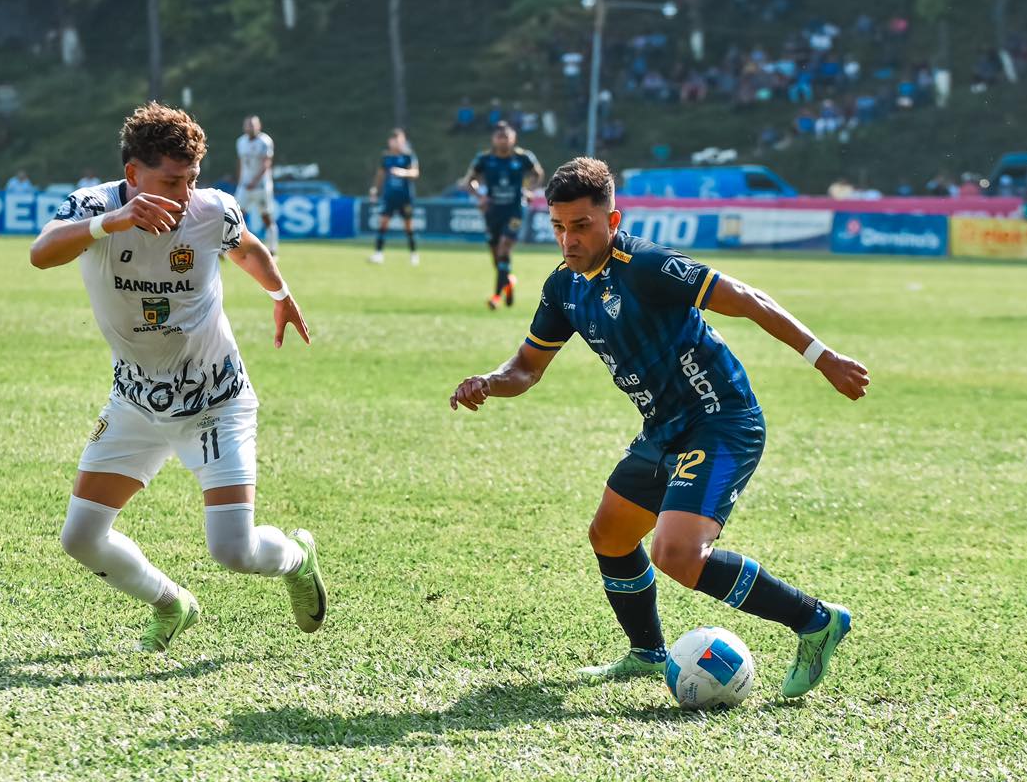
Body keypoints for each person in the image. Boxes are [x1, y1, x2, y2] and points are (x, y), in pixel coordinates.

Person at [449, 157, 868, 698]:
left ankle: (816, 620)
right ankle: (648, 654)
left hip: (721, 419)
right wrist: (488, 381)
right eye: (558, 227)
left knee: (675, 554)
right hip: (663, 428)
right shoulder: (563, 289)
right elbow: (526, 368)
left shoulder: (645, 265)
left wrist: (823, 357)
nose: (568, 240)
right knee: (611, 535)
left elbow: (747, 299)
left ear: (612, 220)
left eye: (581, 226)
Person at [28, 102, 325, 653]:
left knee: (233, 551)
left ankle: (295, 556)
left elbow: (250, 249)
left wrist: (280, 296)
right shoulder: (91, 206)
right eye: (171, 180)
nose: (185, 193)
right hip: (135, 403)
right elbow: (41, 254)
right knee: (81, 539)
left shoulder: (213, 210)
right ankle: (171, 603)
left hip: (215, 401)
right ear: (133, 175)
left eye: (191, 179)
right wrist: (110, 223)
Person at [463, 122, 543, 309]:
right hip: (492, 211)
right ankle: (508, 282)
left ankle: (496, 296)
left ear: (513, 138)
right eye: (500, 137)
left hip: (515, 210)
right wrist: (479, 197)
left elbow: (537, 173)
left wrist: (530, 191)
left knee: (504, 248)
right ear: (493, 139)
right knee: (496, 256)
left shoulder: (523, 158)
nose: (503, 140)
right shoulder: (484, 159)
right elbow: (469, 181)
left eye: (507, 137)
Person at [368, 128, 420, 266]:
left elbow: (415, 173)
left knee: (408, 226)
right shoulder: (386, 157)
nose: (398, 143)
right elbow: (380, 175)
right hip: (389, 197)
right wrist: (374, 190)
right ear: (390, 142)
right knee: (383, 223)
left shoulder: (408, 156)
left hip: (405, 197)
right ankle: (378, 254)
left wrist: (403, 172)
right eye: (396, 140)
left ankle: (413, 254)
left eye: (401, 140)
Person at [236, 115, 279, 256]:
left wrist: (254, 181)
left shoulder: (264, 141)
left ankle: (272, 250)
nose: (250, 127)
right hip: (245, 186)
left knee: (266, 217)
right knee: (235, 217)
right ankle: (229, 248)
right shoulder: (241, 142)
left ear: (259, 126)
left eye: (253, 125)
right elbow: (242, 163)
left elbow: (266, 163)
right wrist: (241, 181)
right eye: (248, 125)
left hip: (261, 187)